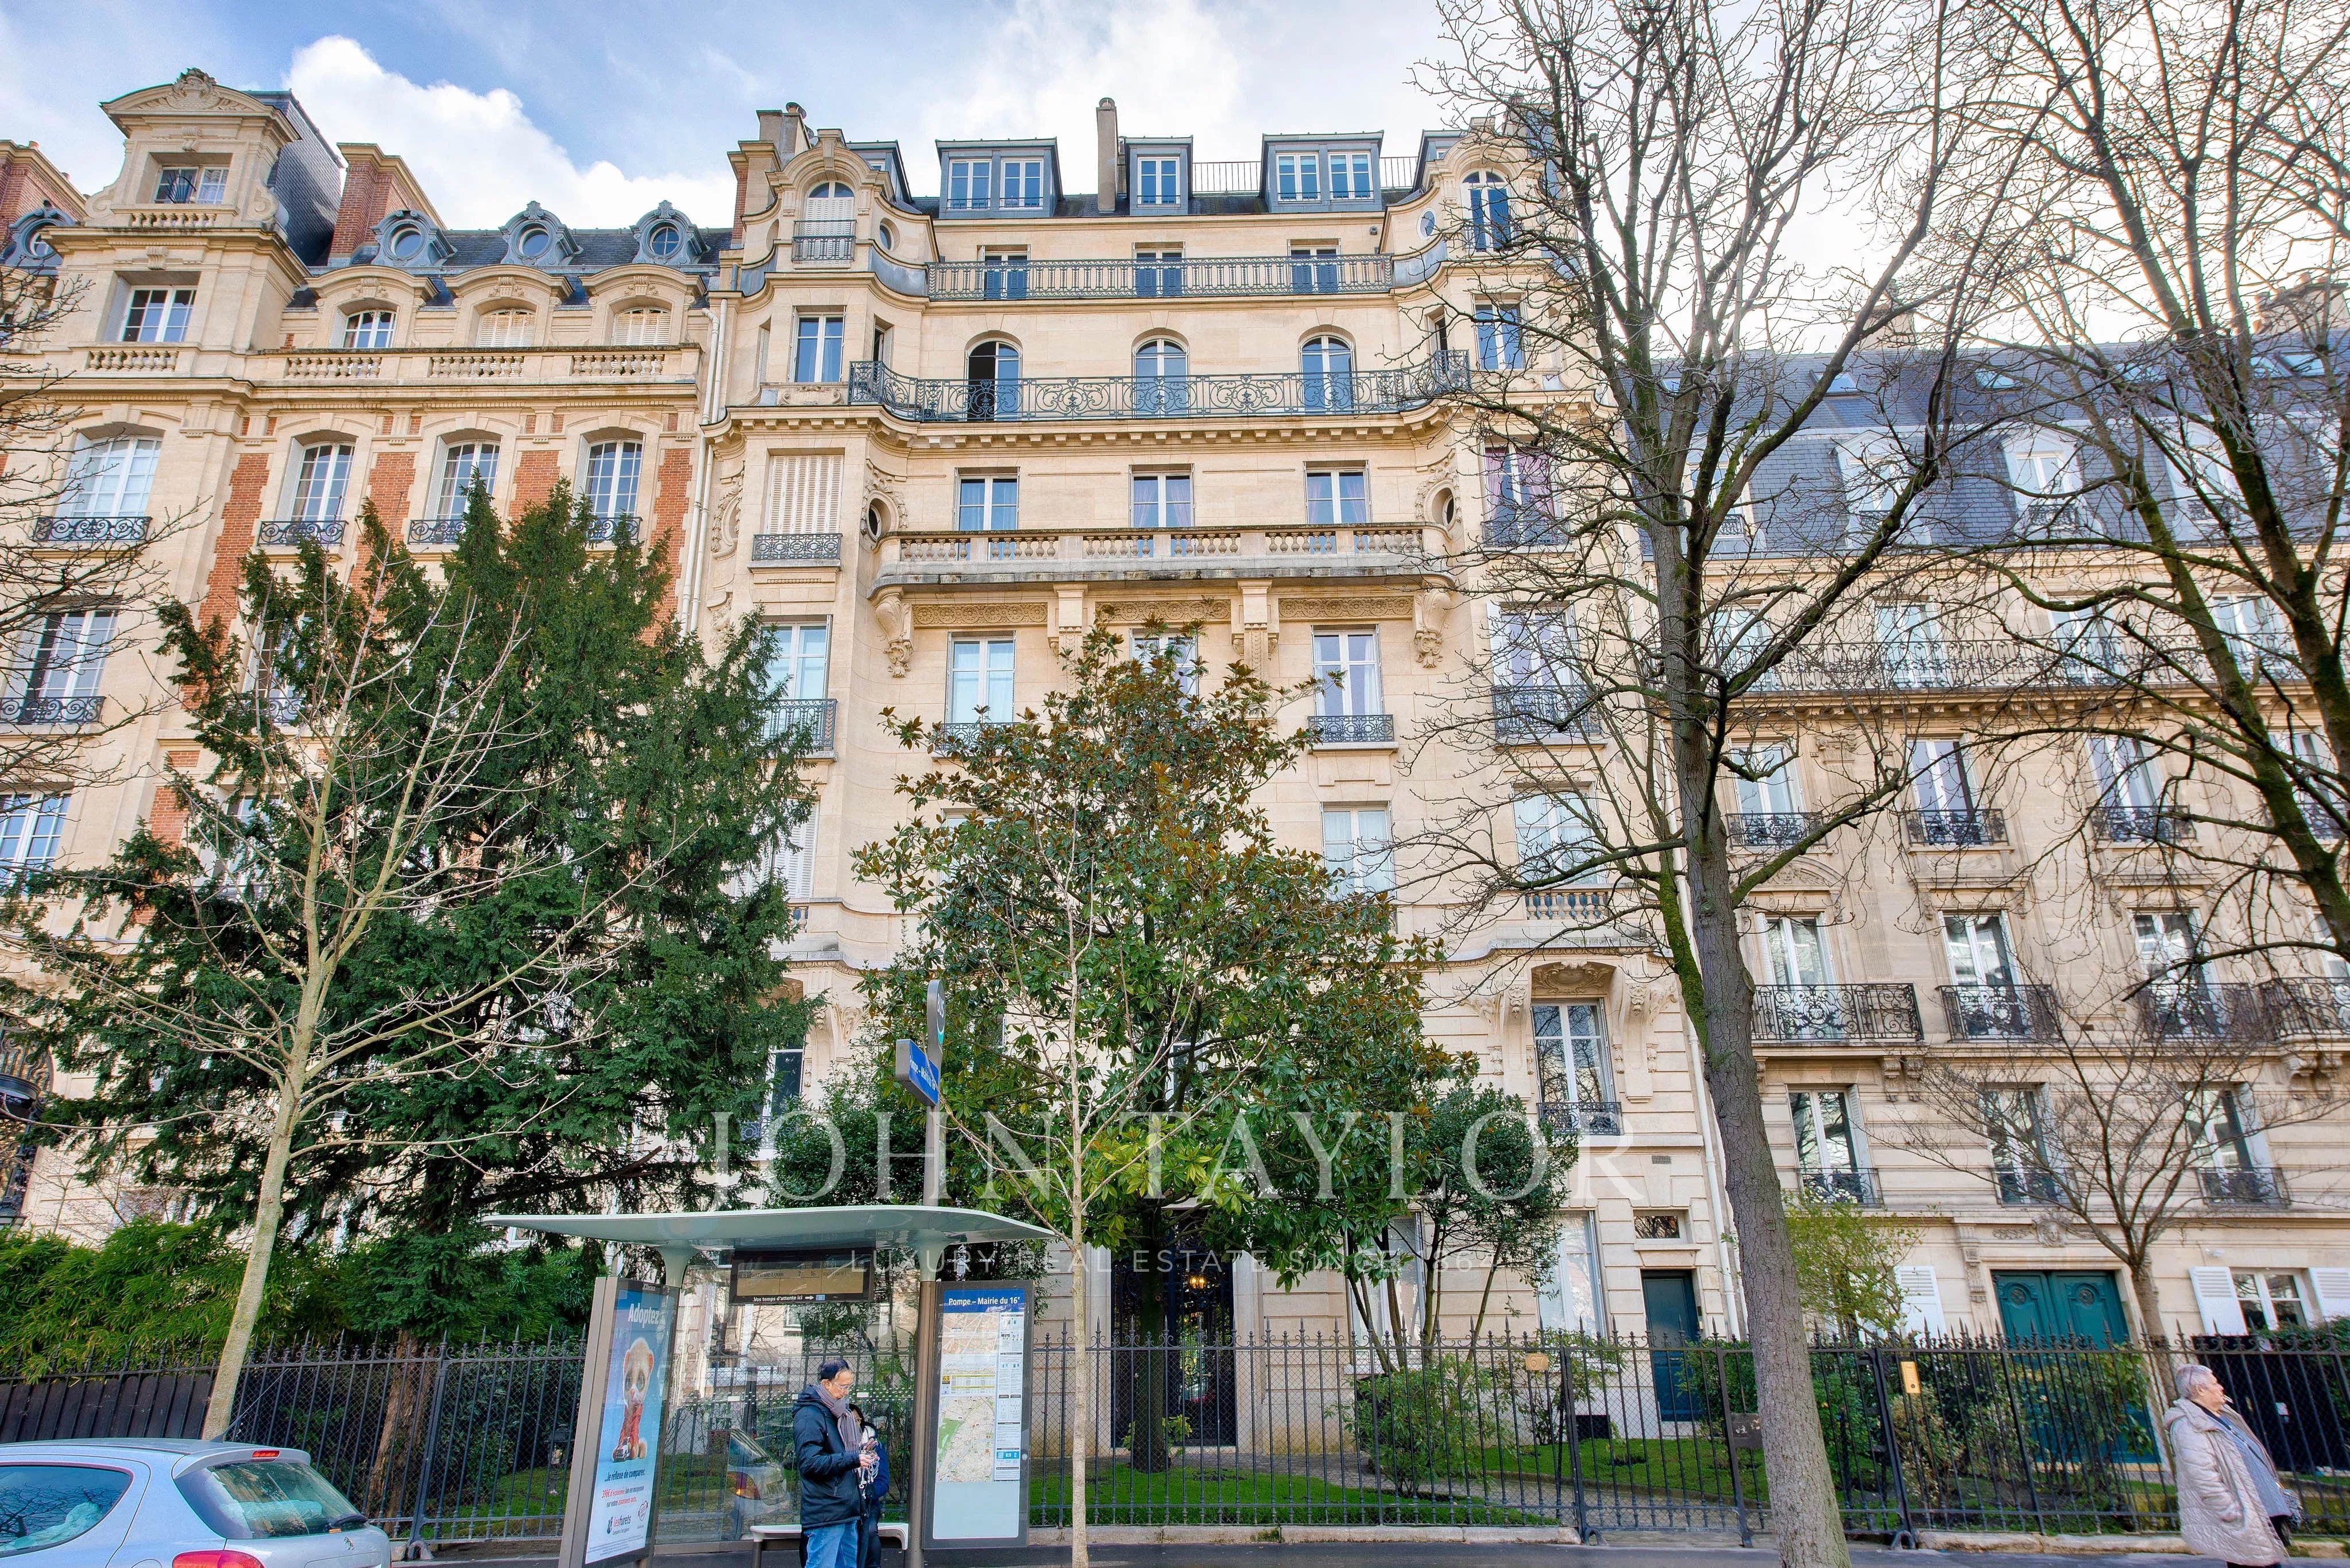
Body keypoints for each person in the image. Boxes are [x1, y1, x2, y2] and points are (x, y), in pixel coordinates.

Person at [2166, 1362, 2301, 1568]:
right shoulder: (2189, 1425)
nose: (2221, 1387)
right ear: (2200, 1389)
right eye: (2215, 1383)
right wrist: (2232, 1512)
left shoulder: (2224, 1416)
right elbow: (2203, 1476)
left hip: (2263, 1508)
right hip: (2245, 1514)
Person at [791, 1361, 873, 1568]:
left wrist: (862, 1453)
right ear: (826, 1384)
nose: (846, 1392)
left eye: (849, 1386)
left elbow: (840, 1453)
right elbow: (809, 1463)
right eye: (842, 1386)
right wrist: (853, 1458)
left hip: (846, 1507)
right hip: (827, 1510)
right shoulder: (810, 1414)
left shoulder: (840, 1412)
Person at [847, 1401, 891, 1568]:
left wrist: (867, 1492)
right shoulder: (837, 1445)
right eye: (849, 1421)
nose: (854, 1425)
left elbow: (884, 1482)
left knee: (870, 1530)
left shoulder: (875, 1446)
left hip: (868, 1503)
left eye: (857, 1420)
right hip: (843, 1504)